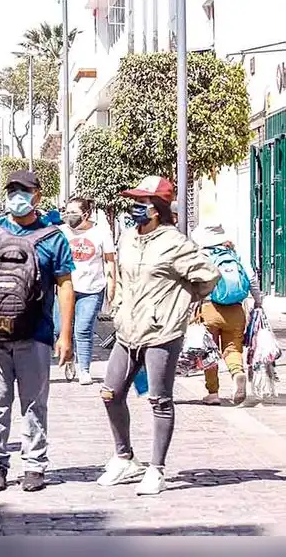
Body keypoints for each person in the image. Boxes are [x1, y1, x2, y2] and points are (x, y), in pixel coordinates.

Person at [0, 170, 76, 493]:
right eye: (12, 190)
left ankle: (34, 465)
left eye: (24, 190)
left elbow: (65, 285)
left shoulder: (53, 238)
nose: (17, 196)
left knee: (34, 403)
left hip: (35, 333)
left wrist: (65, 334)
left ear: (38, 195)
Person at [97, 176, 219, 495]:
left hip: (161, 333)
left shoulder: (175, 243)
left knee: (159, 400)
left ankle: (157, 469)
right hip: (127, 331)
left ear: (156, 209)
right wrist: (120, 307)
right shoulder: (126, 238)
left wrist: (181, 302)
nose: (134, 208)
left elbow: (208, 276)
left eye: (140, 203)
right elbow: (122, 278)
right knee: (110, 392)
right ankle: (125, 458)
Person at [191, 223, 263, 406]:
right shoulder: (235, 255)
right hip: (236, 310)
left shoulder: (202, 256)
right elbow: (252, 279)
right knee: (232, 349)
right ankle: (237, 373)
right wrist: (258, 302)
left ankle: (213, 393)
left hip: (209, 309)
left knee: (209, 352)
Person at [56, 197, 117, 386]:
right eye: (67, 212)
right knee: (60, 329)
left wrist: (112, 285)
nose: (70, 216)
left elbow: (109, 260)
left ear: (86, 213)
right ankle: (70, 355)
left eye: (74, 212)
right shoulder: (60, 232)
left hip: (92, 288)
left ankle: (84, 369)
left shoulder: (100, 232)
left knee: (83, 329)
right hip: (64, 288)